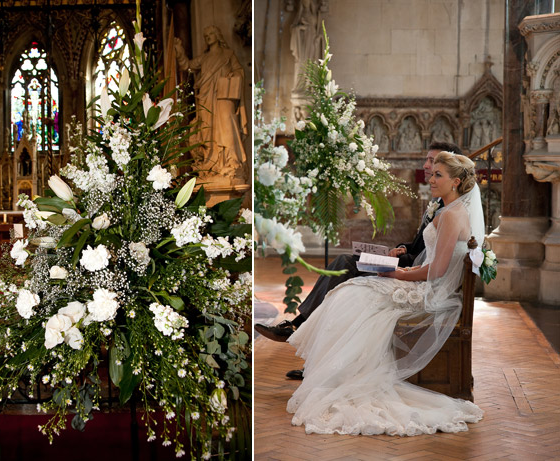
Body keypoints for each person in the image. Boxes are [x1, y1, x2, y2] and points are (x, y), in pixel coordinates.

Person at [286, 151, 485, 435]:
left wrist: (399, 274)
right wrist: (400, 270)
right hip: (425, 284)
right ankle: (334, 374)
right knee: (349, 292)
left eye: (438, 174)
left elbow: (437, 270)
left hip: (431, 293)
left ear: (455, 182)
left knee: (352, 294)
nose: (431, 178)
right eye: (433, 173)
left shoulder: (453, 215)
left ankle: (341, 377)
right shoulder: (448, 211)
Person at [255, 142, 463, 352]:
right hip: (408, 260)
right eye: (428, 161)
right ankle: (304, 332)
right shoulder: (440, 201)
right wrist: (403, 247)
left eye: (433, 163)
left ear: (453, 176)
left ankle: (299, 326)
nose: (427, 166)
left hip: (411, 269)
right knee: (347, 261)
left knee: (345, 265)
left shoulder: (449, 209)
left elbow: (436, 258)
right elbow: (424, 243)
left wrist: (401, 267)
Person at [174, 26, 248, 184]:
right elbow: (186, 65)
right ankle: (211, 166)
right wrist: (179, 50)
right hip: (206, 99)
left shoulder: (228, 54)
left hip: (223, 96)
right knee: (207, 131)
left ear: (218, 35)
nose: (208, 37)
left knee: (227, 126)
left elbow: (239, 71)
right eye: (205, 35)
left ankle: (230, 162)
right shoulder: (204, 58)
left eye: (211, 34)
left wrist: (231, 76)